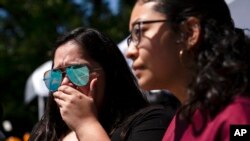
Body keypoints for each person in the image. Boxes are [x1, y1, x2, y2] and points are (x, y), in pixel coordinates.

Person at [127, 0, 250, 140]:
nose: (129, 52)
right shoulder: (178, 123)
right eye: (131, 38)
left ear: (189, 32)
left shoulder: (237, 118)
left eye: (140, 31)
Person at [29, 27, 176, 141]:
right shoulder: (45, 132)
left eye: (78, 72)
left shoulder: (151, 121)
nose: (65, 83)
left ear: (111, 72)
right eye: (56, 75)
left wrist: (85, 124)